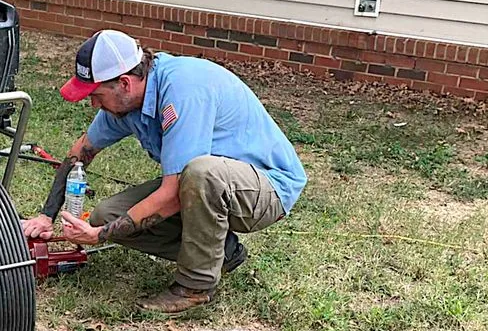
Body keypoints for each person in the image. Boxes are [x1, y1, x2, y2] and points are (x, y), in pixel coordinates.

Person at [21, 30, 307, 314]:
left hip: (267, 188)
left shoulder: (183, 90)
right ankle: (223, 253)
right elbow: (80, 152)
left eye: (96, 95)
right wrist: (47, 216)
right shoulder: (125, 103)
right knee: (106, 215)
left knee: (200, 172)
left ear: (124, 83)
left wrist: (99, 236)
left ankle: (194, 287)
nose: (94, 104)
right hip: (210, 184)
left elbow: (172, 194)